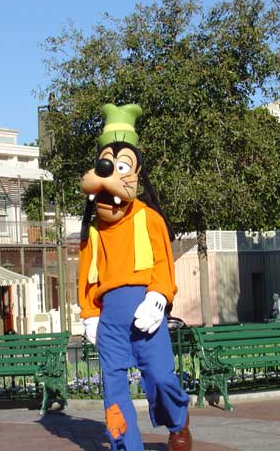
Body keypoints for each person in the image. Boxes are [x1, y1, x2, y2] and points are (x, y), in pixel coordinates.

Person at [78, 104, 191, 451]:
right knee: (112, 388)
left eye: (122, 165)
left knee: (160, 376)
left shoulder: (148, 218)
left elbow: (163, 264)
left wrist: (158, 297)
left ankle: (177, 421)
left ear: (137, 175)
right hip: (110, 317)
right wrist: (89, 315)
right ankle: (126, 446)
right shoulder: (94, 228)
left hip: (147, 312)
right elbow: (85, 275)